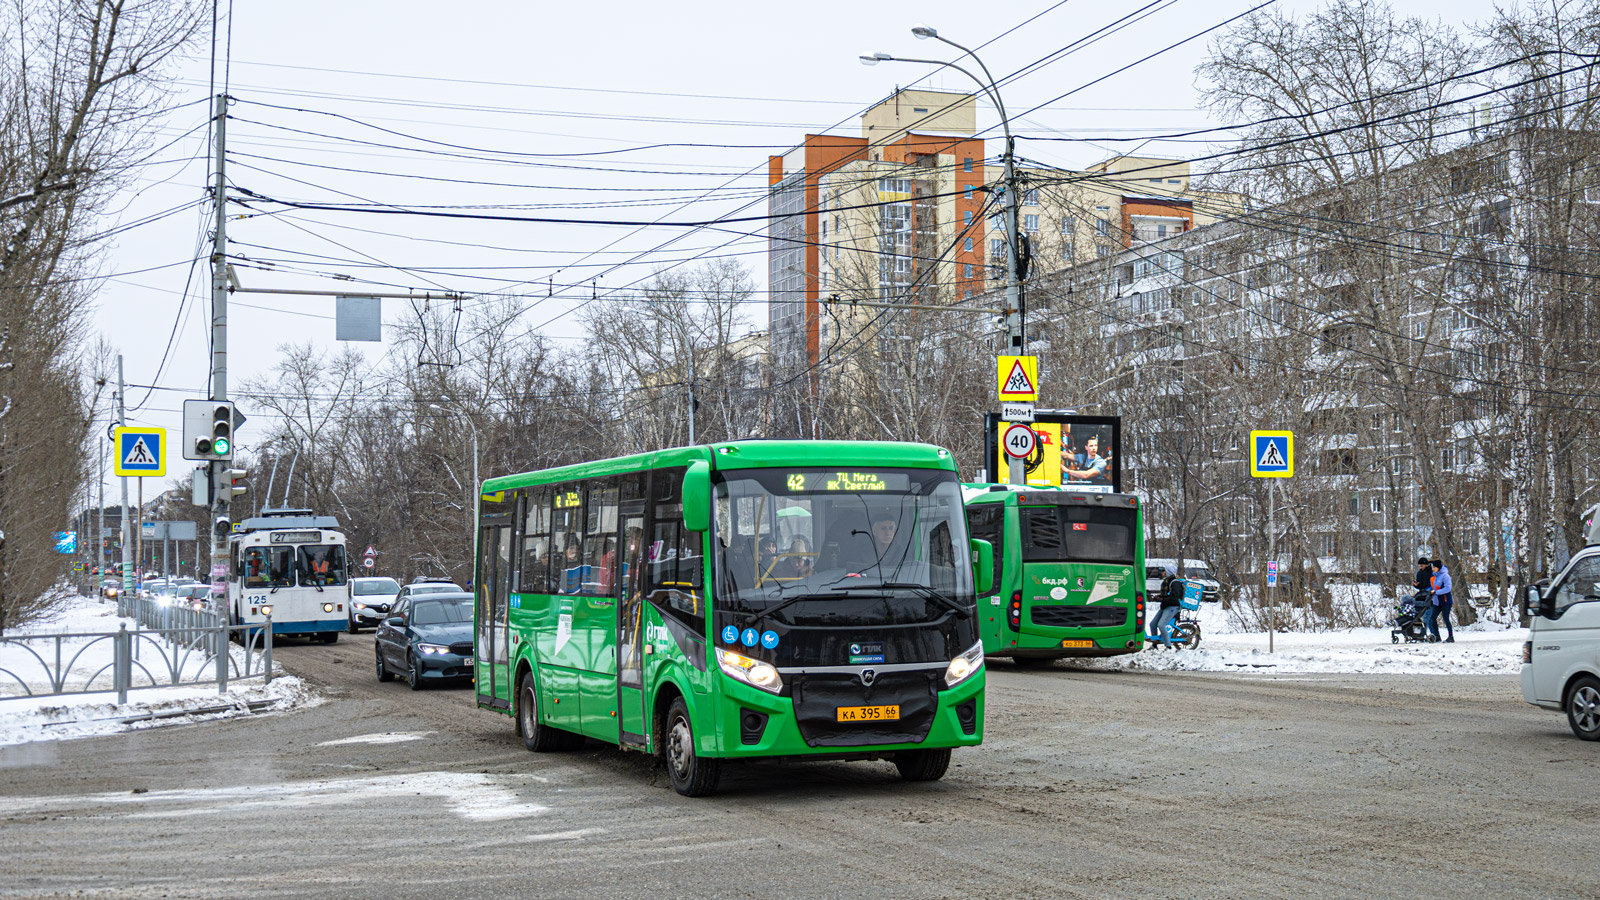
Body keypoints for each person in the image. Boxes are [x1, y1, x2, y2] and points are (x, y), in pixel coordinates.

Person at [1150, 566, 1183, 643]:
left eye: (1163, 571)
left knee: (1161, 625)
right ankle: (1154, 644)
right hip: (1165, 606)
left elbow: (1174, 598)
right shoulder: (1167, 582)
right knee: (1153, 624)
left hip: (1172, 607)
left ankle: (1168, 646)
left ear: (1168, 572)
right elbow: (1165, 595)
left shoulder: (1175, 583)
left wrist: (1161, 599)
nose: (1162, 573)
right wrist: (1156, 598)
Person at [1428, 558, 1455, 643]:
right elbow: (1433, 587)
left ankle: (1451, 636)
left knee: (1446, 618)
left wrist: (1436, 592)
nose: (1432, 569)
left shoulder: (1445, 576)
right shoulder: (1434, 576)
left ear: (1439, 568)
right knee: (1432, 618)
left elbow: (1448, 588)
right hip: (1437, 601)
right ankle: (1437, 636)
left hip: (1445, 600)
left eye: (1434, 567)